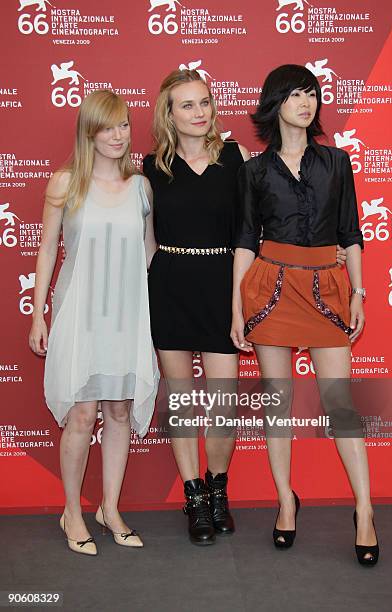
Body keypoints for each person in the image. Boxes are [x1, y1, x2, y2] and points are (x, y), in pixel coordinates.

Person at [231, 64, 379, 566]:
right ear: (275, 104)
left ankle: (364, 511)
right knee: (277, 406)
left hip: (327, 288)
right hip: (270, 289)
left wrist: (358, 292)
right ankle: (285, 503)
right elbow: (246, 240)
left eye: (311, 94)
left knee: (341, 407)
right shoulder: (252, 170)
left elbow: (351, 231)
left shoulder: (337, 161)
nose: (306, 102)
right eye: (295, 94)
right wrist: (237, 306)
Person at [29, 90, 159, 555]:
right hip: (78, 313)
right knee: (82, 414)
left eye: (124, 125)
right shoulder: (65, 183)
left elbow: (149, 254)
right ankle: (72, 510)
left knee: (119, 410)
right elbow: (47, 251)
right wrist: (39, 312)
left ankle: (110, 507)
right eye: (108, 127)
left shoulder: (142, 187)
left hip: (125, 314)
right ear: (89, 132)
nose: (119, 135)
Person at [143, 69, 252, 545]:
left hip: (222, 286)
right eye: (186, 105)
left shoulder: (236, 157)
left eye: (204, 102)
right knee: (184, 402)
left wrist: (240, 303)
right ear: (169, 113)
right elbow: (145, 241)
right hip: (170, 286)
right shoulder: (150, 167)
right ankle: (193, 498)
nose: (198, 111)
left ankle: (217, 489)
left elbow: (251, 234)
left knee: (224, 404)